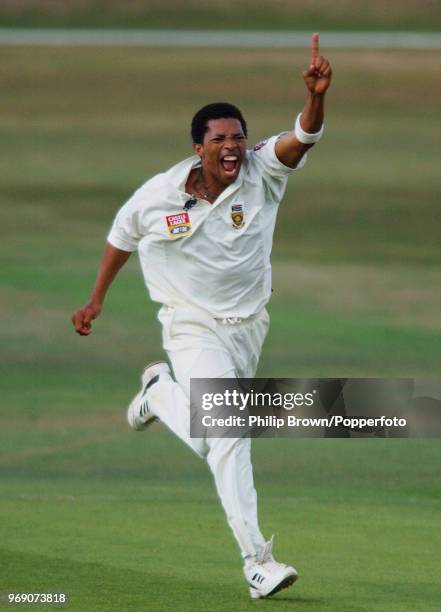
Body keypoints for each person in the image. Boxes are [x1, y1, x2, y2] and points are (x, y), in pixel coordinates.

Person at [72, 33, 332, 599]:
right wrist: (97, 299)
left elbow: (302, 139)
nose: (233, 146)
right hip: (189, 325)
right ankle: (257, 562)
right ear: (198, 147)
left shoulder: (263, 171)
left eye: (239, 136)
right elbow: (121, 236)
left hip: (249, 327)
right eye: (220, 139)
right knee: (232, 431)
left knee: (216, 436)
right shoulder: (159, 196)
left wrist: (315, 97)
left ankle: (159, 395)